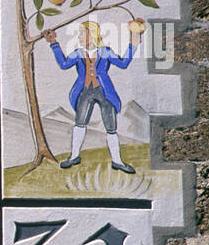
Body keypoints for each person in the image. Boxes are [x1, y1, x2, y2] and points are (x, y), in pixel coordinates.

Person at [43, 19, 144, 173]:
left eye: (82, 33)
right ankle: (74, 156)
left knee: (111, 128)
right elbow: (64, 65)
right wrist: (54, 44)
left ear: (92, 34)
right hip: (85, 91)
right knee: (79, 124)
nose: (79, 37)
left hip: (105, 93)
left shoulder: (106, 52)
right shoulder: (78, 53)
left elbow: (123, 63)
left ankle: (117, 161)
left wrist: (134, 44)